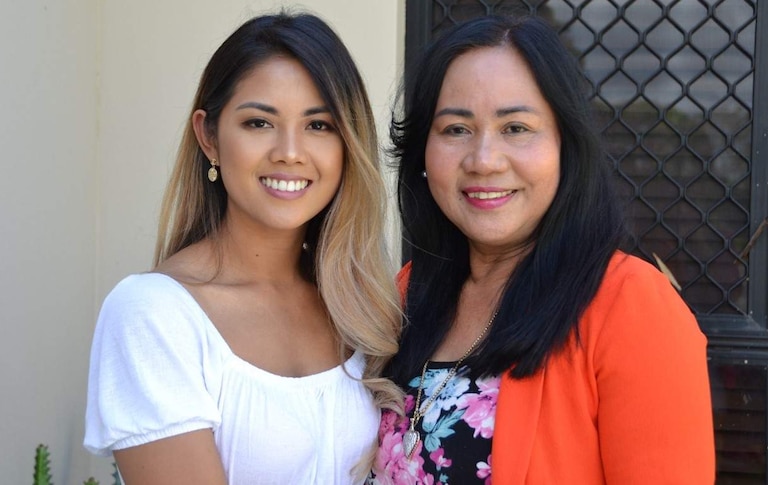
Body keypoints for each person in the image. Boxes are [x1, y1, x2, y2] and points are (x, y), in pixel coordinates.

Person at [369, 15, 715, 484]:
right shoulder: (408, 291)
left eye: (516, 128)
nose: (484, 160)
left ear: (565, 146)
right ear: (424, 154)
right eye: (455, 129)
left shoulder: (630, 305)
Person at [84, 12, 402, 484]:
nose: (290, 151)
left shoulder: (364, 307)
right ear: (208, 136)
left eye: (319, 126)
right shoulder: (153, 315)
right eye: (259, 122)